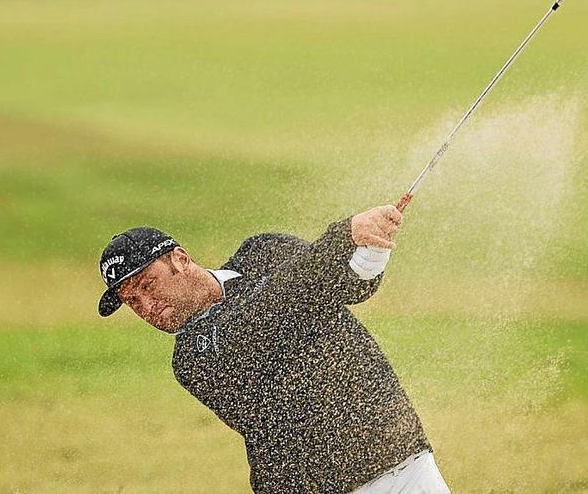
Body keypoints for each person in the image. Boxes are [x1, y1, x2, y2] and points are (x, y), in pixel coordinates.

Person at [96, 204, 451, 494]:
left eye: (147, 284)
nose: (145, 305)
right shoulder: (193, 357)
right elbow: (262, 316)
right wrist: (342, 237)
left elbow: (345, 284)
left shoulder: (264, 251)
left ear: (180, 259)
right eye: (132, 301)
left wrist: (370, 249)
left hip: (402, 458)